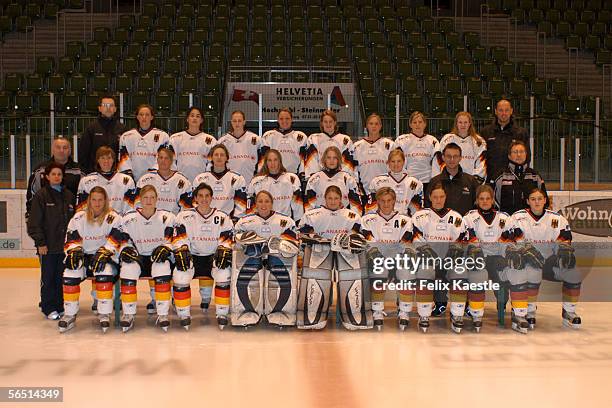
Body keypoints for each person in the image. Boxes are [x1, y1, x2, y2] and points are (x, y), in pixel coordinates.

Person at [98, 185, 176, 332]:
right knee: (127, 270)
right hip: (138, 256)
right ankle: (128, 313)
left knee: (163, 269)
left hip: (156, 257)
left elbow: (173, 240)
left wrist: (167, 248)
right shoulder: (128, 218)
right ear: (139, 199)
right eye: (145, 197)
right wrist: (125, 249)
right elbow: (120, 239)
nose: (149, 201)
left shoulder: (167, 218)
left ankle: (163, 314)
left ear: (157, 199)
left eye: (152, 197)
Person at [505, 188, 583, 332]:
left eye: (540, 198)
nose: (537, 202)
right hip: (526, 262)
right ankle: (528, 311)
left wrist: (564, 251)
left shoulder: (557, 219)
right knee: (533, 272)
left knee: (574, 274)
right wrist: (525, 251)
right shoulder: (517, 218)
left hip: (548, 262)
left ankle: (569, 311)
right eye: (533, 199)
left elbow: (564, 241)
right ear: (528, 201)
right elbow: (512, 242)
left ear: (545, 200)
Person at [297, 185, 371, 330]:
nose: (332, 201)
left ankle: (353, 314)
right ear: (324, 198)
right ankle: (313, 315)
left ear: (341, 199)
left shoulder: (351, 216)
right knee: (316, 278)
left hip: (345, 252)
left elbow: (358, 233)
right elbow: (303, 231)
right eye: (330, 198)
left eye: (336, 198)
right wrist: (315, 236)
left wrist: (347, 238)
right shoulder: (312, 215)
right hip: (320, 250)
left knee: (351, 278)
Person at [58, 186, 122, 333]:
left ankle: (104, 313)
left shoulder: (114, 217)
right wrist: (73, 250)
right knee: (70, 273)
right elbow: (71, 238)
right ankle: (69, 314)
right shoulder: (79, 217)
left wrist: (106, 251)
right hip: (85, 255)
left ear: (105, 200)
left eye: (100, 200)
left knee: (104, 273)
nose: (97, 203)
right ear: (89, 201)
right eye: (94, 200)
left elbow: (116, 239)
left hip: (105, 257)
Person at [231, 191, 300, 327]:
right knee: (249, 269)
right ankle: (248, 310)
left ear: (272, 203)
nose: (264, 204)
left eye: (267, 201)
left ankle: (279, 310)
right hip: (252, 259)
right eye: (260, 201)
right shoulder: (244, 222)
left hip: (276, 258)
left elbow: (294, 240)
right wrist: (249, 246)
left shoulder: (285, 221)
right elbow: (236, 239)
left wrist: (278, 246)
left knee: (279, 270)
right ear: (255, 203)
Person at [172, 182, 234, 330]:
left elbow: (227, 240)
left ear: (212, 198)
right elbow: (178, 238)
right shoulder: (184, 216)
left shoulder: (222, 217)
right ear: (195, 198)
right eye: (201, 196)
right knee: (180, 275)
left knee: (224, 274)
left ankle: (222, 313)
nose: (204, 199)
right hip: (193, 256)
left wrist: (223, 247)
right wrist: (182, 248)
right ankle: (184, 314)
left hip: (213, 257)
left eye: (207, 196)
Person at [411, 183, 467, 333]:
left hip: (448, 262)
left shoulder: (456, 217)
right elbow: (416, 241)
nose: (438, 200)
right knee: (424, 272)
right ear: (429, 197)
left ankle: (457, 315)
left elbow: (460, 241)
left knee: (460, 272)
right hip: (428, 262)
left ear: (445, 197)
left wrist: (453, 254)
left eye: (441, 196)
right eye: (435, 197)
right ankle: (424, 315)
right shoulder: (420, 216)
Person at [27, 162, 76, 320]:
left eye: (59, 174)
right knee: (48, 278)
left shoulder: (69, 196)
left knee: (61, 277)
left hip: (64, 246)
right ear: (47, 177)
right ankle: (48, 306)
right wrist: (40, 242)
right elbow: (34, 222)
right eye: (53, 174)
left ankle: (60, 305)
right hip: (47, 246)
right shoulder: (41, 196)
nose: (56, 177)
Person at [361, 187, 414, 330]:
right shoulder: (368, 220)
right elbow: (369, 244)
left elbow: (405, 243)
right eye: (382, 201)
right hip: (378, 259)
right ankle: (377, 311)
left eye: (389, 201)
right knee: (379, 269)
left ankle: (404, 311)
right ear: (377, 201)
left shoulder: (405, 220)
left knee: (406, 271)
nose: (386, 204)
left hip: (397, 258)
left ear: (394, 201)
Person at [462, 185, 513, 333]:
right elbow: (468, 242)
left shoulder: (504, 218)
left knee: (504, 275)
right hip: (478, 257)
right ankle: (475, 311)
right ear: (477, 200)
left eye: (488, 199)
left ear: (493, 200)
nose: (485, 202)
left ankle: (502, 307)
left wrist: (505, 258)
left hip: (496, 258)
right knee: (477, 275)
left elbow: (507, 242)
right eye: (481, 199)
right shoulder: (469, 218)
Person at [26, 137, 83, 217]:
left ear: (70, 151)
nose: (61, 151)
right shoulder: (41, 170)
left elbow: (84, 198)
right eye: (58, 147)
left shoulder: (79, 171)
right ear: (52, 150)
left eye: (65, 148)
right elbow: (32, 196)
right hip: (46, 220)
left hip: (71, 219)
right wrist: (32, 216)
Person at [490, 140, 548, 215]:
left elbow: (543, 201)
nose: (519, 155)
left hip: (530, 222)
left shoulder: (535, 176)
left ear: (526, 154)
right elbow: (493, 202)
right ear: (509, 156)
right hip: (508, 221)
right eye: (515, 152)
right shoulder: (500, 176)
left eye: (522, 151)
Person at [76, 146, 136, 215]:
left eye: (109, 158)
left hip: (120, 223)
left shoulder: (127, 180)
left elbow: (130, 209)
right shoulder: (86, 181)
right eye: (102, 158)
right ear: (98, 160)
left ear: (113, 160)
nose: (106, 161)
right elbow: (82, 210)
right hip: (95, 223)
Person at [193, 144, 247, 220]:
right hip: (205, 219)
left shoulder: (237, 179)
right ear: (211, 157)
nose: (219, 157)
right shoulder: (200, 179)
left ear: (226, 158)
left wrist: (235, 219)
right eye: (216, 155)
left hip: (228, 220)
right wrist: (201, 218)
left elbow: (241, 204)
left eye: (222, 155)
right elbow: (195, 202)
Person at [247, 149, 303, 220]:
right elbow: (250, 205)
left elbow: (298, 205)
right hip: (264, 222)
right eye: (269, 160)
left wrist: (298, 222)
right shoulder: (257, 181)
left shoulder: (292, 178)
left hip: (286, 222)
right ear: (266, 162)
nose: (272, 163)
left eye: (275, 160)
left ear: (280, 161)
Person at [304, 146, 363, 214]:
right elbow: (309, 206)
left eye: (335, 158)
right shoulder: (315, 179)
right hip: (321, 219)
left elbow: (356, 205)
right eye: (329, 158)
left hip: (342, 218)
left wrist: (352, 221)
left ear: (339, 160)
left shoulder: (347, 178)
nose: (332, 161)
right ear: (324, 159)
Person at [118, 104, 170, 180]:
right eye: (141, 115)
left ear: (152, 117)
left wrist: (152, 174)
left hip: (154, 178)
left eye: (147, 115)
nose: (144, 117)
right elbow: (124, 158)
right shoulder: (126, 136)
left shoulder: (162, 136)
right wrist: (128, 175)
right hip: (132, 179)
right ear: (137, 117)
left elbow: (163, 158)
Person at [426, 143, 480, 216]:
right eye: (448, 156)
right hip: (441, 225)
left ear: (460, 158)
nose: (452, 159)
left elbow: (478, 205)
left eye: (455, 156)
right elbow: (428, 207)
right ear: (443, 158)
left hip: (465, 225)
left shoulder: (471, 181)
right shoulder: (434, 181)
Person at [480, 98, 529, 179]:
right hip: (491, 178)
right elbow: (481, 157)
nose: (504, 113)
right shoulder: (486, 132)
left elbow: (526, 158)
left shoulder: (521, 133)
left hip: (513, 179)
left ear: (511, 111)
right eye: (500, 110)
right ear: (496, 111)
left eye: (506, 110)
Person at [367, 149, 423, 216]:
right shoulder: (377, 181)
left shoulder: (414, 183)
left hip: (405, 221)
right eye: (393, 161)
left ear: (404, 162)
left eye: (399, 161)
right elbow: (371, 208)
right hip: (383, 220)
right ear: (388, 163)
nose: (396, 164)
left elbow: (417, 210)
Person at [434, 111, 487, 182]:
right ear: (456, 124)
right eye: (460, 122)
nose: (463, 125)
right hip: (450, 180)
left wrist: (475, 179)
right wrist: (445, 177)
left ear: (469, 124)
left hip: (471, 180)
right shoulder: (447, 139)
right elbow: (440, 159)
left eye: (465, 122)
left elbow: (482, 162)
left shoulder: (479, 141)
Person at [136, 147, 191, 214]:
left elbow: (187, 208)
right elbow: (137, 203)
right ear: (157, 160)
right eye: (161, 158)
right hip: (151, 218)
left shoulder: (182, 181)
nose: (163, 161)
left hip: (173, 221)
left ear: (171, 161)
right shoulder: (145, 180)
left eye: (166, 158)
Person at [79, 95, 126, 173]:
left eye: (111, 105)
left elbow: (125, 154)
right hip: (95, 173)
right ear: (100, 108)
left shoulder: (122, 129)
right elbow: (84, 152)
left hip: (116, 173)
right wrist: (87, 172)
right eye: (105, 105)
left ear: (115, 109)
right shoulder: (91, 128)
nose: (108, 108)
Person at [394, 111, 441, 190]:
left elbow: (437, 163)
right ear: (410, 124)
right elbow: (397, 161)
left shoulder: (433, 140)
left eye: (420, 122)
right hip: (408, 180)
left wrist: (435, 181)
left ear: (425, 124)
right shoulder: (402, 140)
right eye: (414, 122)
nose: (417, 124)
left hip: (427, 181)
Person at [304, 109, 356, 178]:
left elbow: (347, 163)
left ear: (335, 122)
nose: (328, 124)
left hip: (339, 179)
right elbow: (312, 163)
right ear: (322, 123)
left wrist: (341, 178)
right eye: (325, 122)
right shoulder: (314, 139)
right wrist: (317, 178)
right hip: (321, 179)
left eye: (330, 121)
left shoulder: (345, 140)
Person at [169, 107, 216, 182]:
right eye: (192, 115)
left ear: (201, 120)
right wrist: (176, 177)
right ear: (187, 119)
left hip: (202, 182)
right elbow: (171, 161)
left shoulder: (210, 140)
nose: (194, 118)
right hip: (180, 181)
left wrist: (206, 177)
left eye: (198, 116)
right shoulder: (175, 138)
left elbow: (212, 162)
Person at [217, 110, 264, 185]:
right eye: (234, 121)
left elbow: (264, 158)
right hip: (229, 183)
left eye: (239, 121)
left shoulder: (255, 139)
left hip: (250, 181)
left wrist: (258, 173)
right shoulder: (223, 141)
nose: (237, 123)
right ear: (231, 122)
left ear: (244, 122)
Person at [352, 113, 396, 189]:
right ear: (366, 126)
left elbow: (395, 167)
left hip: (384, 189)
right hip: (364, 189)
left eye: (376, 124)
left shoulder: (390, 145)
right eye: (371, 123)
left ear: (380, 126)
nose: (374, 126)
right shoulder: (357, 146)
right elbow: (353, 169)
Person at [261, 108, 308, 176]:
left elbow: (303, 160)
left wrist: (302, 174)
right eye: (281, 118)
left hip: (293, 176)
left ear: (292, 120)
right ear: (278, 120)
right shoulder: (268, 136)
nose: (284, 121)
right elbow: (263, 159)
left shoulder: (301, 137)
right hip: (273, 176)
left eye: (287, 118)